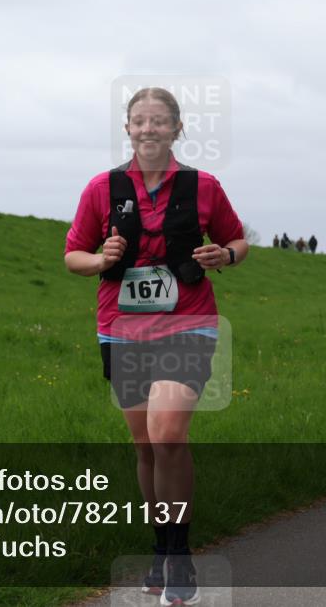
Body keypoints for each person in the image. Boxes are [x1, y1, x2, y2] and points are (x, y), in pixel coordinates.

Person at [65, 87, 248, 606]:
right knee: (144, 444)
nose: (149, 129)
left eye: (159, 121)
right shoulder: (102, 188)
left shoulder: (204, 186)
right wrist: (102, 260)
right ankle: (160, 548)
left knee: (167, 432)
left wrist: (225, 256)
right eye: (139, 121)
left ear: (177, 128)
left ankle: (180, 553)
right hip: (120, 327)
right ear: (127, 129)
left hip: (188, 321)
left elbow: (238, 241)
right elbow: (72, 255)